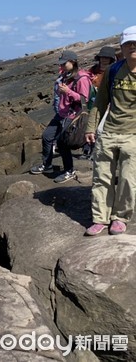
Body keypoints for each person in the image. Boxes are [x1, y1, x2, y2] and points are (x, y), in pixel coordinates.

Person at [84, 26, 136, 236]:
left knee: (128, 179)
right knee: (101, 177)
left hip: (133, 135)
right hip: (109, 132)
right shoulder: (114, 71)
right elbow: (100, 101)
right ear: (121, 48)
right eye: (128, 44)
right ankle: (100, 218)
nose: (132, 47)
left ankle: (120, 218)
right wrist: (91, 127)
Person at [30, 50, 92, 183]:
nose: (62, 66)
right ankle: (47, 165)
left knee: (62, 144)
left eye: (64, 63)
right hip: (61, 113)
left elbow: (83, 100)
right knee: (47, 136)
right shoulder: (66, 75)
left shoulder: (82, 78)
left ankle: (69, 170)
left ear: (73, 62)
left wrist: (68, 91)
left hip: (72, 115)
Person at [80, 47, 116, 158]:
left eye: (107, 58)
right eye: (102, 57)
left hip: (107, 102)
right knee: (89, 125)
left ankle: (96, 151)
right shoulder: (93, 70)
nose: (104, 60)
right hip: (92, 101)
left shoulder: (113, 70)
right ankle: (87, 149)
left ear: (111, 59)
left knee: (100, 128)